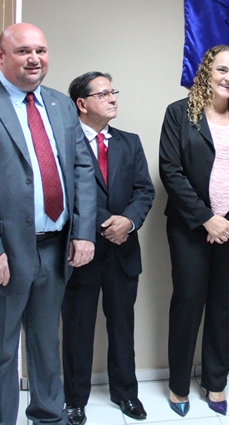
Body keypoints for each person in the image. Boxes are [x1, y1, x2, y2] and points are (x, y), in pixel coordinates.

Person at [0, 23, 97, 425]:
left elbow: (82, 169)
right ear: (1, 56)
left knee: (46, 346)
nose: (34, 59)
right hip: (3, 255)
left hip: (55, 249)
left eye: (41, 51)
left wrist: (83, 232)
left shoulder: (61, 104)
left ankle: (48, 416)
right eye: (23, 51)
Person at [159, 44, 229, 416]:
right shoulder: (179, 113)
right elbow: (170, 170)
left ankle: (215, 382)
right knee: (188, 303)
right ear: (207, 71)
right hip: (190, 228)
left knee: (223, 306)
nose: (228, 78)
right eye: (222, 69)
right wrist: (207, 218)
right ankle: (178, 385)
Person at [62, 72, 155, 424]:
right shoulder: (65, 142)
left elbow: (144, 190)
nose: (113, 98)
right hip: (81, 253)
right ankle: (74, 400)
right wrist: (108, 223)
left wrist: (128, 221)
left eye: (112, 92)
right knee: (77, 330)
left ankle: (126, 394)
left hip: (123, 251)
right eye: (102, 94)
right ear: (82, 104)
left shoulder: (129, 142)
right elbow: (67, 194)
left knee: (122, 327)